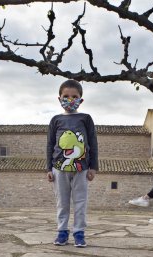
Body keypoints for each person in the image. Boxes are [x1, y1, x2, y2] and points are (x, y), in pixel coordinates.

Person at [46, 79, 98, 248]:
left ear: (80, 100)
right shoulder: (56, 120)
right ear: (59, 98)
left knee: (80, 201)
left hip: (81, 168)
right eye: (66, 96)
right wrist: (48, 168)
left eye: (74, 96)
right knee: (62, 201)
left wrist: (93, 167)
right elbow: (50, 144)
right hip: (59, 168)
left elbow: (93, 142)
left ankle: (79, 233)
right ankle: (62, 231)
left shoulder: (86, 118)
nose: (70, 99)